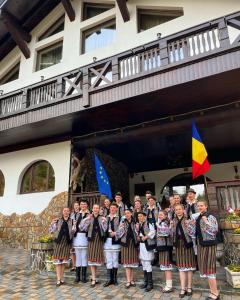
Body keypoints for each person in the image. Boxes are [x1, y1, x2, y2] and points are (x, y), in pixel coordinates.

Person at [189, 200, 219, 300]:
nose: (200, 207)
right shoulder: (197, 218)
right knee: (206, 269)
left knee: (210, 269)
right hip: (201, 245)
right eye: (198, 206)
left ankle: (215, 294)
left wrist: (206, 222)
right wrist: (191, 225)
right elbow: (193, 234)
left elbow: (215, 231)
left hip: (209, 245)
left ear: (206, 206)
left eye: (202, 206)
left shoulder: (210, 217)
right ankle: (212, 292)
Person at [80, 204, 107, 287]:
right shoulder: (89, 217)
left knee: (97, 260)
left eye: (97, 208)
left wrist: (104, 222)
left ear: (99, 209)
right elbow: (82, 227)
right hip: (91, 240)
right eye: (94, 208)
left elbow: (105, 229)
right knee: (92, 260)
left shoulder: (102, 218)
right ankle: (94, 279)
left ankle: (95, 277)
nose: (96, 209)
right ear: (92, 209)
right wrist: (85, 219)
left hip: (99, 240)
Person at [172, 204, 196, 298]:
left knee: (189, 267)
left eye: (179, 209)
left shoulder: (188, 219)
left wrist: (190, 225)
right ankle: (183, 288)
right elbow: (172, 233)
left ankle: (189, 287)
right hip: (178, 245)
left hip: (188, 244)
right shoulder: (173, 221)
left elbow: (193, 233)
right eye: (176, 209)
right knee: (181, 267)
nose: (178, 211)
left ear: (183, 210)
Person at [49, 207, 73, 286]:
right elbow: (51, 231)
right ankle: (58, 279)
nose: (66, 212)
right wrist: (52, 223)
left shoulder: (72, 221)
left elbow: (73, 232)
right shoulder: (57, 220)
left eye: (67, 211)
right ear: (62, 212)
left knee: (63, 263)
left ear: (69, 212)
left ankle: (62, 278)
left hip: (66, 243)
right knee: (58, 262)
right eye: (64, 211)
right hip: (58, 243)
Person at [116, 209, 139, 289]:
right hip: (125, 244)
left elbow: (138, 233)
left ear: (131, 213)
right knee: (127, 263)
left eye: (128, 213)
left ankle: (132, 279)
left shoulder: (135, 222)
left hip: (133, 244)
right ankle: (128, 280)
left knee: (132, 263)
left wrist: (137, 229)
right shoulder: (122, 223)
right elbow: (118, 234)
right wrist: (121, 229)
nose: (127, 215)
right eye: (125, 213)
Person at [136, 211, 156, 292]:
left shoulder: (148, 223)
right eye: (138, 216)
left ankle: (150, 284)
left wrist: (146, 237)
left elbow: (153, 231)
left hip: (147, 245)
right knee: (144, 263)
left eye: (141, 216)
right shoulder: (139, 225)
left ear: (144, 217)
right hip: (142, 245)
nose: (139, 217)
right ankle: (146, 282)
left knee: (147, 263)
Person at [103, 202, 121, 287]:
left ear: (116, 209)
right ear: (109, 209)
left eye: (114, 208)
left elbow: (122, 228)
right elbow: (103, 228)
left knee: (115, 259)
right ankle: (109, 279)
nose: (112, 209)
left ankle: (115, 279)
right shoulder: (105, 218)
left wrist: (116, 233)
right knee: (109, 260)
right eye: (111, 208)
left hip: (115, 240)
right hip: (107, 241)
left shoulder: (120, 218)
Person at [156, 210, 174, 293]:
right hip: (162, 246)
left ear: (166, 215)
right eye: (159, 214)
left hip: (166, 246)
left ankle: (169, 286)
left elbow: (166, 233)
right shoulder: (162, 222)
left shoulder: (165, 222)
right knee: (165, 266)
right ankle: (168, 284)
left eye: (161, 214)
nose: (159, 216)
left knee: (167, 266)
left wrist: (158, 227)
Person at [72, 199, 89, 283]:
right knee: (78, 256)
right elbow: (73, 226)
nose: (83, 205)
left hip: (85, 237)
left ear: (87, 205)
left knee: (84, 256)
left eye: (84, 204)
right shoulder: (76, 215)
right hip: (77, 237)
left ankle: (83, 276)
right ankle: (77, 276)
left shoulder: (89, 215)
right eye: (81, 204)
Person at [70, 200, 80, 272]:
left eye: (77, 205)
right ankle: (74, 265)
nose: (76, 206)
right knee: (72, 250)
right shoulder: (71, 214)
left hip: (78, 233)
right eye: (75, 205)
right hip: (72, 233)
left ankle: (78, 265)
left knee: (78, 250)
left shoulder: (81, 213)